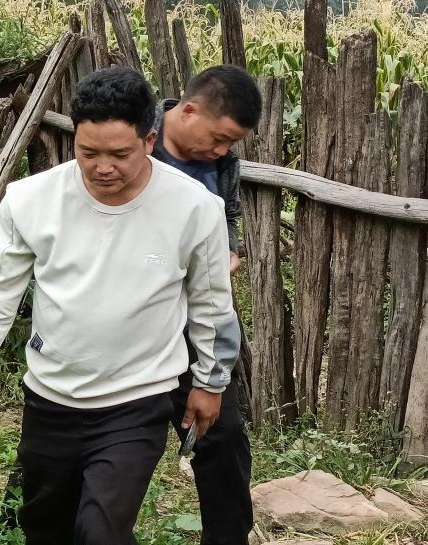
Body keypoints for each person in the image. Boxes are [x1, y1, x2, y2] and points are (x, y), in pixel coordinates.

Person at [0, 67, 240, 544]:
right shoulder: (31, 200)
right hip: (50, 398)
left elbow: (212, 304)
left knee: (100, 533)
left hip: (136, 400)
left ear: (149, 140)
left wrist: (210, 381)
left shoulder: (195, 208)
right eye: (88, 152)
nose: (103, 168)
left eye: (120, 154)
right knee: (45, 530)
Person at [153, 64, 262, 545]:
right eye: (219, 139)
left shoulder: (223, 165)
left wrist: (228, 252)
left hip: (195, 324)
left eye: (230, 144)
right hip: (130, 322)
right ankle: (19, 525)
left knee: (223, 435)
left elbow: (228, 218)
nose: (221, 151)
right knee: (76, 435)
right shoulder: (135, 139)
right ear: (189, 111)